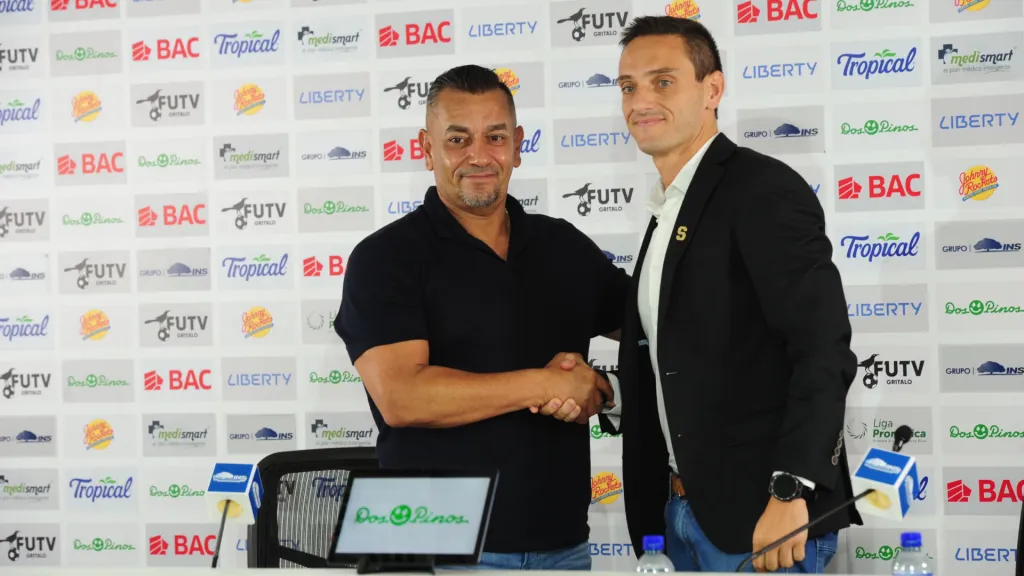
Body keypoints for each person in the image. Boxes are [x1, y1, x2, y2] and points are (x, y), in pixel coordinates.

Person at [559, 15, 861, 573]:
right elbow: (695, 360)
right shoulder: (668, 207)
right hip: (678, 516)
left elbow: (822, 350)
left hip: (761, 523)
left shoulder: (760, 189)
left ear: (713, 89)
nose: (640, 100)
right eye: (628, 87)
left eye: (663, 81)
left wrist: (790, 492)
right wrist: (610, 391)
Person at [333, 64, 629, 571]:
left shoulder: (562, 245)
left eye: (494, 137)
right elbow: (403, 397)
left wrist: (601, 388)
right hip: (430, 545)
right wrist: (541, 385)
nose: (478, 155)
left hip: (563, 543)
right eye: (457, 139)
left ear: (516, 145)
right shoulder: (385, 257)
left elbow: (660, 330)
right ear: (426, 149)